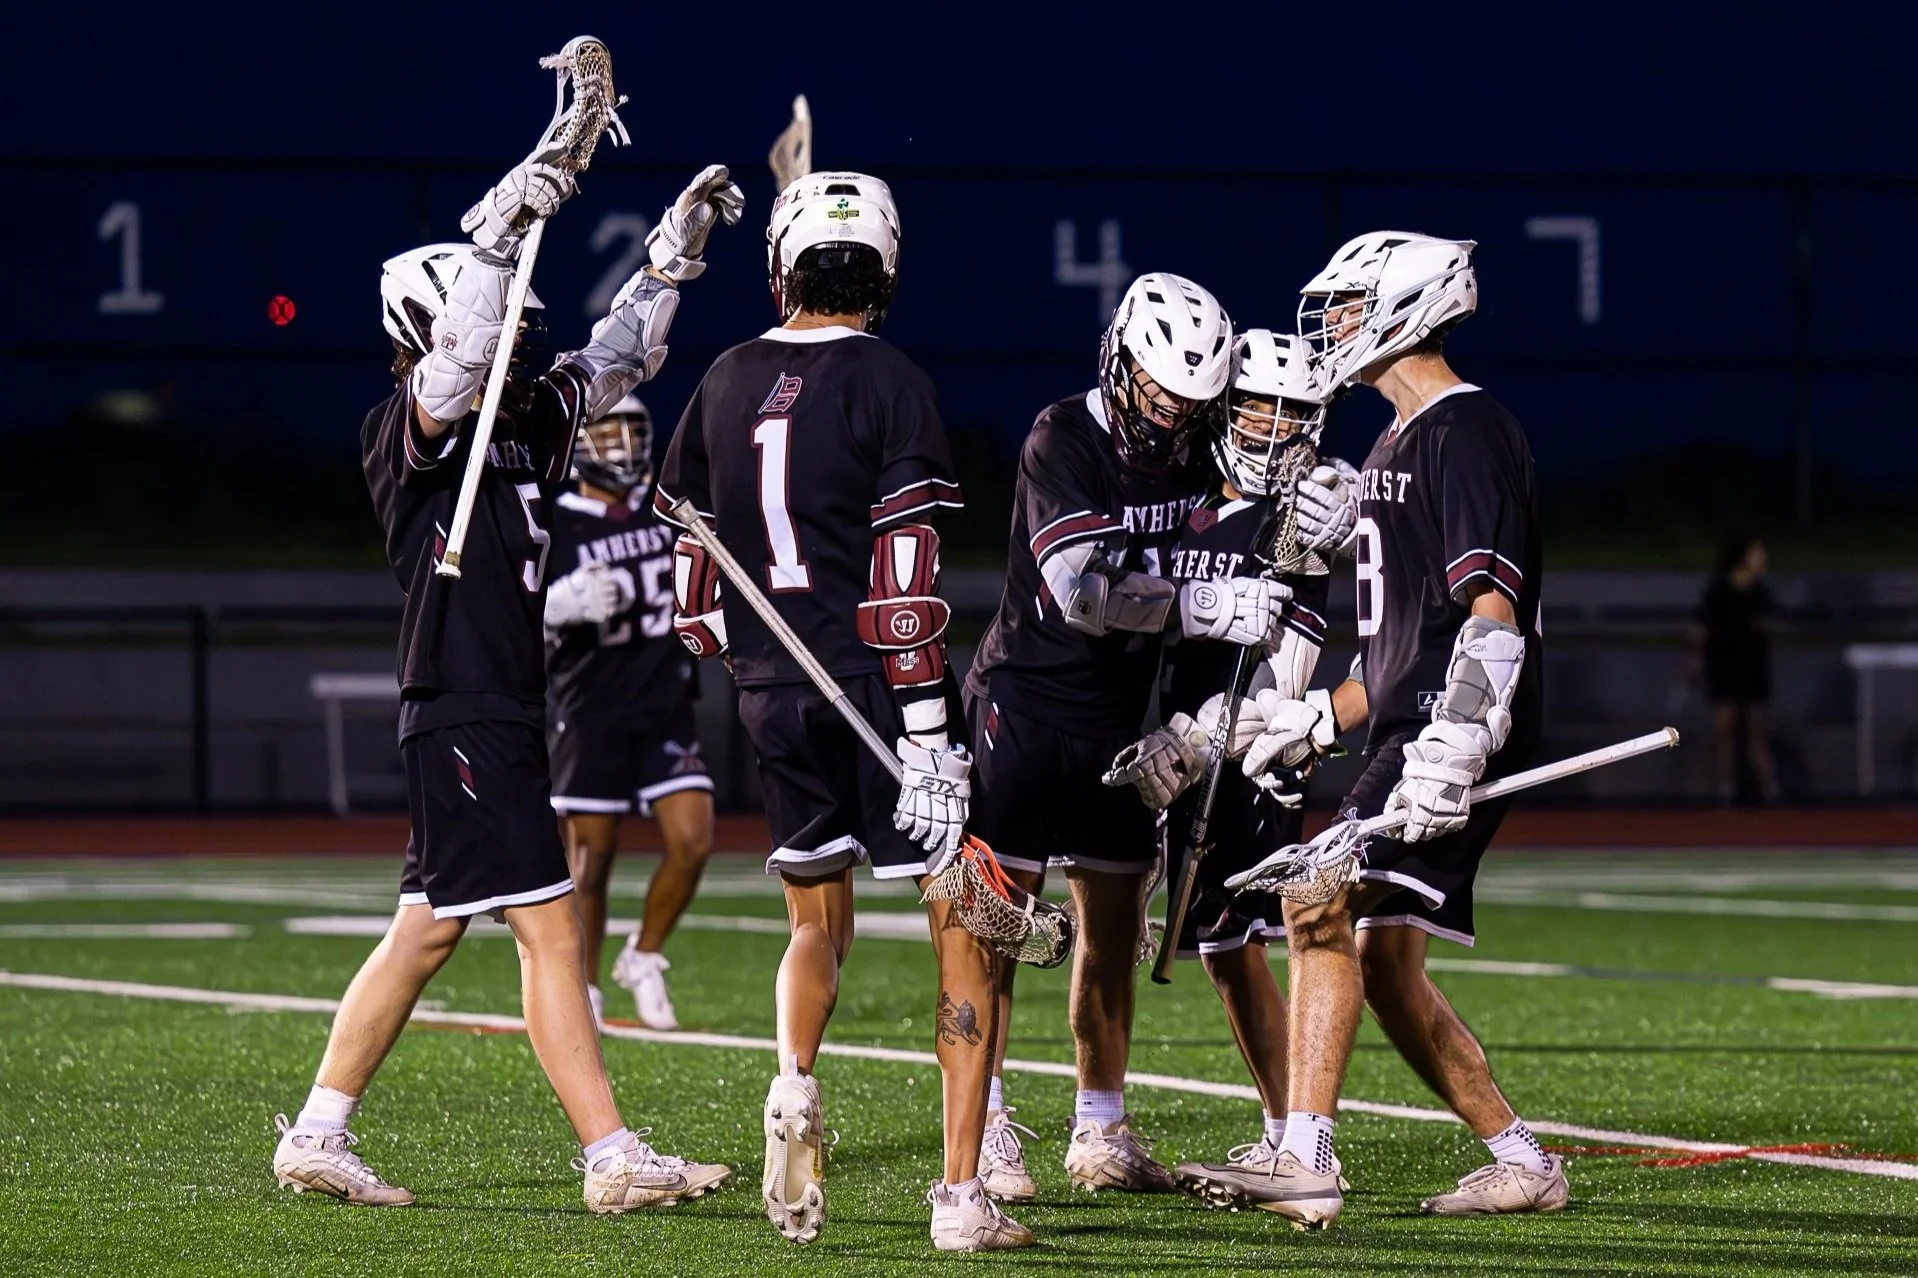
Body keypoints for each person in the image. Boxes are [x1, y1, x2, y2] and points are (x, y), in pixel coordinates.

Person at [270, 157, 743, 1214]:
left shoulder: (525, 417)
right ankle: (612, 1153)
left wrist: (670, 259)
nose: (515, 346)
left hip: (495, 705)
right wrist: (493, 238)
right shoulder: (408, 432)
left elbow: (618, 359)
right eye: (496, 325)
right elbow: (451, 374)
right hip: (463, 701)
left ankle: (316, 1133)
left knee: (427, 930)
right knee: (550, 924)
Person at [655, 171, 1030, 1252]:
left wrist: (758, 669)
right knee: (959, 926)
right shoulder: (891, 380)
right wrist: (924, 733)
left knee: (815, 922)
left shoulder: (723, 378)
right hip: (876, 686)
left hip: (776, 694)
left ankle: (791, 1080)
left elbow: (694, 591)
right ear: (884, 267)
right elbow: (905, 579)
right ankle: (963, 1195)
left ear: (784, 266)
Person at [1237, 231, 1563, 1224]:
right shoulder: (1392, 439)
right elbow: (1394, 651)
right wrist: (1313, 716)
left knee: (1310, 899)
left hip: (1453, 728)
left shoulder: (1461, 429)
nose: (1328, 327)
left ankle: (1304, 1154)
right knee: (1378, 960)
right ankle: (1522, 1161)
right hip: (1406, 723)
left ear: (1406, 305)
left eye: (1342, 307)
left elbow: (1490, 612)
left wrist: (1457, 743)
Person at [964, 274, 1288, 1199]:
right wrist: (1201, 603)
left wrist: (1318, 505)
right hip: (1023, 711)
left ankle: (1100, 1130)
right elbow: (1082, 590)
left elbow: (1260, 509)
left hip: (1119, 728)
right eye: (1158, 394)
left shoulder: (1200, 450)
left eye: (1191, 403)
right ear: (1121, 364)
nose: (1170, 418)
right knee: (1000, 931)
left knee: (1113, 936)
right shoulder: (1062, 437)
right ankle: (984, 1129)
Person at [1100, 330, 1340, 1210]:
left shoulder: (1301, 519)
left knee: (1238, 942)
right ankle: (1281, 1129)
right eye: (1258, 405)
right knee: (1211, 944)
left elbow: (1288, 677)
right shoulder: (1180, 495)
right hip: (1160, 741)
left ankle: (1294, 1136)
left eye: (1294, 413)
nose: (1274, 427)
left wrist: (1198, 740)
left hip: (1241, 751)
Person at [545, 393, 715, 1030]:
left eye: (629, 434)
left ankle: (643, 954)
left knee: (693, 839)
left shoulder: (666, 510)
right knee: (590, 861)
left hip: (665, 701)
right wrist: (561, 604)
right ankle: (584, 986)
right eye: (605, 435)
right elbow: (510, 611)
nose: (620, 448)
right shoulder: (556, 518)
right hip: (588, 707)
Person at [1695, 533, 1779, 803]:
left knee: (1756, 730)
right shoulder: (1718, 591)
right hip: (1723, 665)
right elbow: (1702, 628)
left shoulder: (1761, 592)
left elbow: (1770, 623)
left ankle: (1769, 788)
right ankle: (1726, 786)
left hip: (1752, 667)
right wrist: (1695, 660)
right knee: (1725, 729)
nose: (1762, 560)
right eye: (1757, 553)